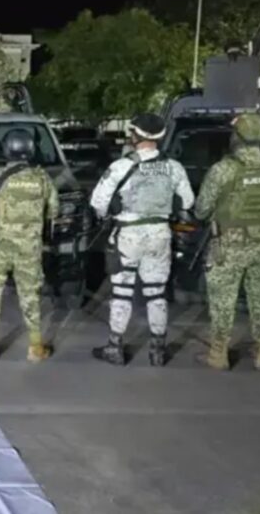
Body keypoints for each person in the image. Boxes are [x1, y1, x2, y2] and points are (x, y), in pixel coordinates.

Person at [89, 113, 194, 366]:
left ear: (136, 135)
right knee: (156, 293)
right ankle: (157, 351)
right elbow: (188, 201)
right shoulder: (174, 167)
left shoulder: (121, 166)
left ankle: (115, 347)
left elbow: (98, 202)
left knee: (122, 292)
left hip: (128, 234)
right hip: (160, 233)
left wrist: (109, 215)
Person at [194, 113, 260, 371]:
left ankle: (219, 354)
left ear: (236, 137)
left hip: (229, 245)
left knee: (223, 300)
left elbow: (202, 209)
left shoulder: (223, 169)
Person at [0, 129, 59, 362]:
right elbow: (54, 212)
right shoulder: (43, 180)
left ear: (6, 150)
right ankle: (36, 347)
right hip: (30, 247)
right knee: (30, 294)